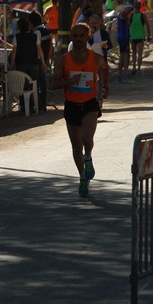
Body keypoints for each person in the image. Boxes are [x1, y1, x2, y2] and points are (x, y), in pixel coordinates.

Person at [50, 22, 109, 198]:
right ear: (71, 38)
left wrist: (105, 86)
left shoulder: (95, 58)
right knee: (76, 146)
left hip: (90, 103)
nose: (78, 39)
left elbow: (105, 68)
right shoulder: (64, 60)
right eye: (74, 36)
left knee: (86, 138)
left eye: (81, 36)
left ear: (87, 37)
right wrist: (69, 81)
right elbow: (53, 83)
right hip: (72, 105)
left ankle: (88, 157)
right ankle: (83, 177)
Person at [29, 10, 53, 113]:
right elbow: (51, 45)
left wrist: (43, 61)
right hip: (45, 59)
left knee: (37, 84)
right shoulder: (46, 29)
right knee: (43, 85)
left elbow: (38, 48)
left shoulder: (37, 33)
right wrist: (48, 58)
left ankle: (39, 106)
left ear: (31, 22)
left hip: (39, 61)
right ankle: (43, 106)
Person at [130, 0, 151, 74]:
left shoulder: (131, 15)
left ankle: (134, 67)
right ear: (140, 7)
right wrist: (148, 35)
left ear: (134, 7)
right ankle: (138, 68)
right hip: (141, 36)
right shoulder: (143, 15)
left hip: (133, 36)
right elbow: (148, 26)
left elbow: (128, 25)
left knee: (134, 52)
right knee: (140, 53)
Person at [116, 7, 132, 83]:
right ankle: (125, 76)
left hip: (121, 38)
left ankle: (119, 76)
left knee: (122, 57)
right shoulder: (124, 18)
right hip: (124, 39)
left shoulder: (120, 18)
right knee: (125, 57)